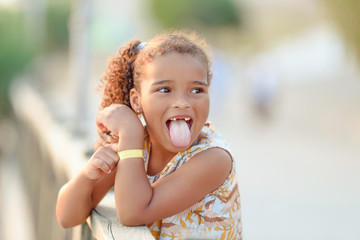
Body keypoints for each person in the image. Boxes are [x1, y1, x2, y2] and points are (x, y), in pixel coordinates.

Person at [56, 31, 242, 239]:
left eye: (197, 90)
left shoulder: (213, 159)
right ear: (137, 101)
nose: (182, 102)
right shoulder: (135, 147)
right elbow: (67, 217)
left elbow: (134, 213)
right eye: (165, 90)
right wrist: (87, 176)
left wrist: (130, 132)